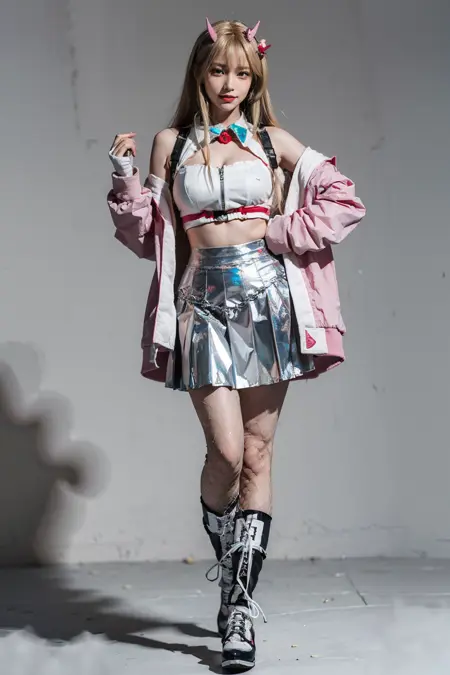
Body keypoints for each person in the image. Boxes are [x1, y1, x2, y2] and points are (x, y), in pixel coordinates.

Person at [107, 18, 366, 671]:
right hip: (200, 302)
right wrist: (125, 178)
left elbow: (343, 199)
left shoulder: (271, 140)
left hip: (268, 301)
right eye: (219, 69)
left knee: (256, 451)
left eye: (243, 72)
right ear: (199, 71)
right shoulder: (172, 144)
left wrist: (280, 234)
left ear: (256, 78)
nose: (230, 83)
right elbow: (148, 237)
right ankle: (232, 569)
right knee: (224, 450)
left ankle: (239, 605)